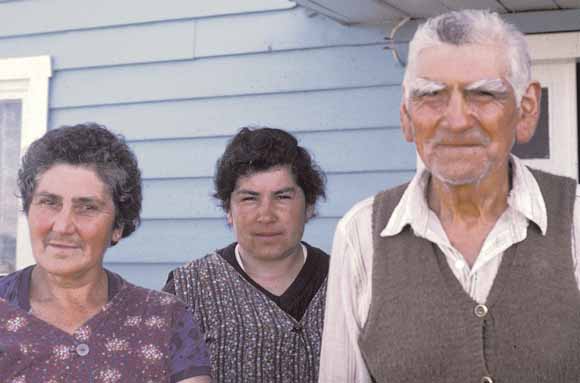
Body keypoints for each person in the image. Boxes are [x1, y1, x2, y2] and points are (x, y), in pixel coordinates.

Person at [319, 9, 580, 383]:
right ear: (407, 117)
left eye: (484, 93)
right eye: (431, 95)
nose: (456, 121)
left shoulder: (574, 221)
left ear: (526, 110)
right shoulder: (361, 235)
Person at [0, 124, 211, 383]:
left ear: (118, 227)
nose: (63, 226)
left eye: (87, 207)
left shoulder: (166, 319)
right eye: (48, 202)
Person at [164, 127, 329, 383]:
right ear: (228, 210)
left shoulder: (348, 281)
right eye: (250, 199)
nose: (266, 215)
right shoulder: (188, 290)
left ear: (309, 206)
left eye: (282, 197)